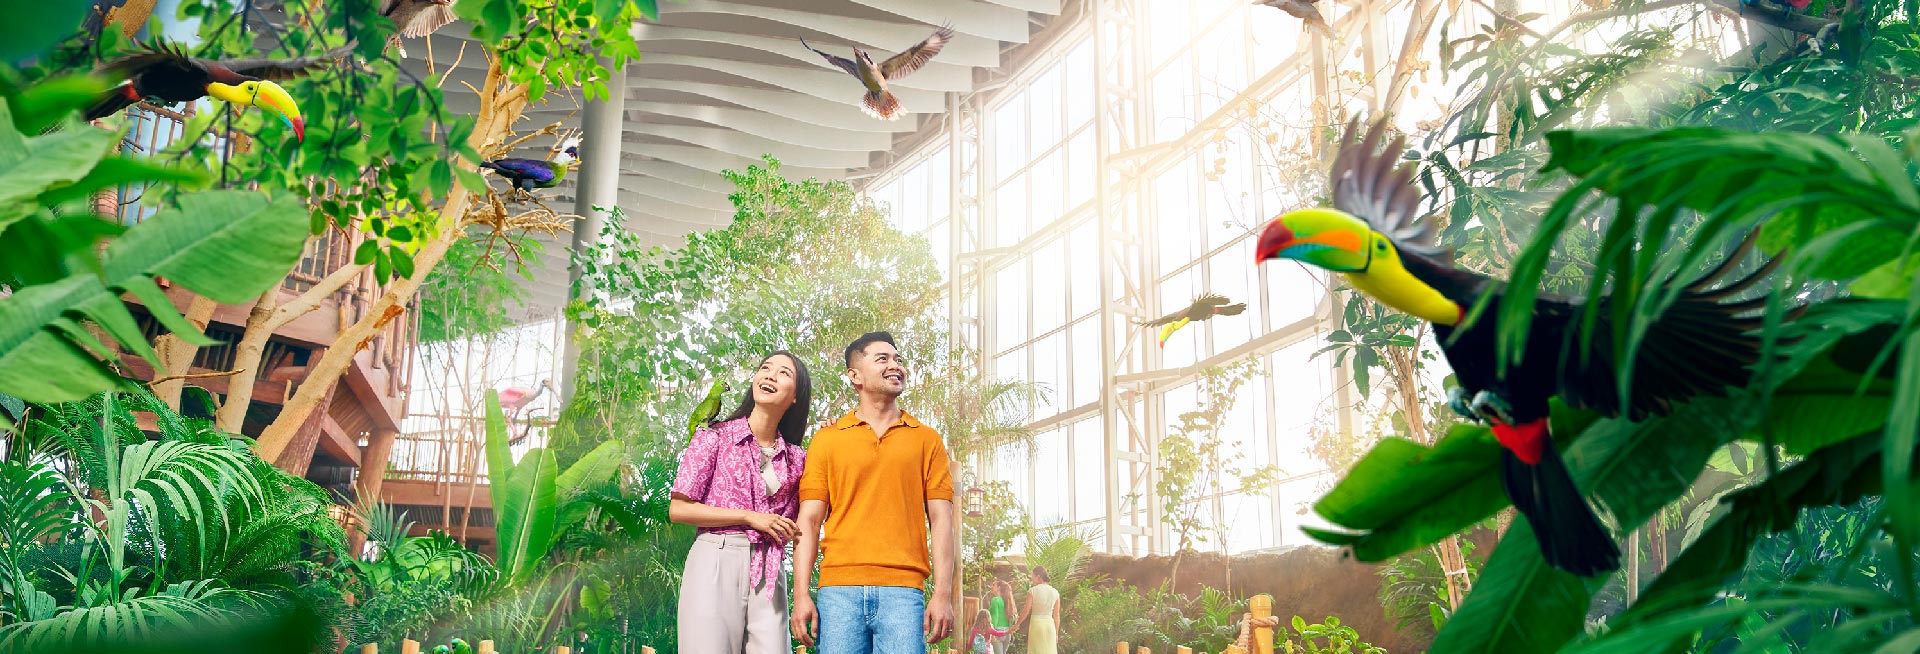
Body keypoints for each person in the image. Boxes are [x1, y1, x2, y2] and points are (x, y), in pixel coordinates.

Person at [790, 332, 959, 654]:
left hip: (904, 592)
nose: (895, 365)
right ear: (854, 375)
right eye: (882, 359)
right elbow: (809, 522)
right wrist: (801, 595)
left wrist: (942, 595)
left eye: (898, 359)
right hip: (837, 591)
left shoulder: (927, 440)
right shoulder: (828, 440)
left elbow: (941, 521)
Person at [669, 352, 814, 654]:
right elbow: (679, 509)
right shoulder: (713, 437)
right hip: (715, 559)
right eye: (765, 368)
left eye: (784, 373)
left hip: (769, 568)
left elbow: (812, 517)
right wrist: (749, 517)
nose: (770, 375)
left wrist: (834, 432)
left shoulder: (800, 459)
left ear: (797, 397)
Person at [1015, 566, 1060, 654]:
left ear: (1038, 577)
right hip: (1050, 627)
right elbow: (1056, 615)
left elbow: (1026, 611)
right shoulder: (1055, 592)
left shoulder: (1032, 591)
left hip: (1036, 625)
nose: (1032, 579)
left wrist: (1017, 624)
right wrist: (1056, 633)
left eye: (1033, 576)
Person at [987, 579, 1015, 654]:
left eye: (993, 585)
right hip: (1007, 633)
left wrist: (993, 633)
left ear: (999, 588)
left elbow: (995, 616)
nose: (991, 587)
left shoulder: (995, 600)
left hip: (998, 632)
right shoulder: (1007, 601)